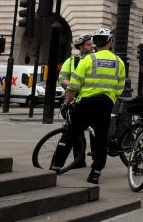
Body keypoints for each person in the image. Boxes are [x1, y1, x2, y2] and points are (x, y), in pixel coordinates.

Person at [50, 28, 126, 184]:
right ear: (109, 42)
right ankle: (95, 173)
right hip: (105, 105)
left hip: (85, 103)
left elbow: (74, 86)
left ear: (96, 43)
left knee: (70, 134)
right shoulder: (119, 62)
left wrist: (66, 103)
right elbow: (119, 89)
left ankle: (55, 167)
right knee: (100, 140)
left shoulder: (88, 60)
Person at [58, 33, 94, 168]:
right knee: (76, 132)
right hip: (74, 100)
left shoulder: (94, 60)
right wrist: (73, 86)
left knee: (95, 130)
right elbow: (62, 78)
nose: (91, 47)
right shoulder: (71, 61)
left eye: (92, 44)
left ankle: (96, 157)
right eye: (88, 44)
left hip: (90, 99)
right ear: (81, 47)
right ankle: (79, 160)